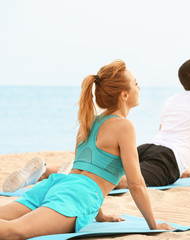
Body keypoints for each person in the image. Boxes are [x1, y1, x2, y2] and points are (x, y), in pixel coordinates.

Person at [3, 58, 190, 193]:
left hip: (150, 148)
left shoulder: (172, 100)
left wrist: (179, 169)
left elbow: (165, 133)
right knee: (120, 180)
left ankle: (46, 169)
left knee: (108, 167)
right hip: (168, 159)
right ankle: (66, 172)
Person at [0, 60, 172, 239]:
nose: (139, 88)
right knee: (15, 232)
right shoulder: (124, 127)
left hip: (57, 184)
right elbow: (136, 184)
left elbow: (87, 172)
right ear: (124, 95)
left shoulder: (88, 122)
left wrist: (100, 215)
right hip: (75, 196)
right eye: (136, 83)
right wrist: (153, 224)